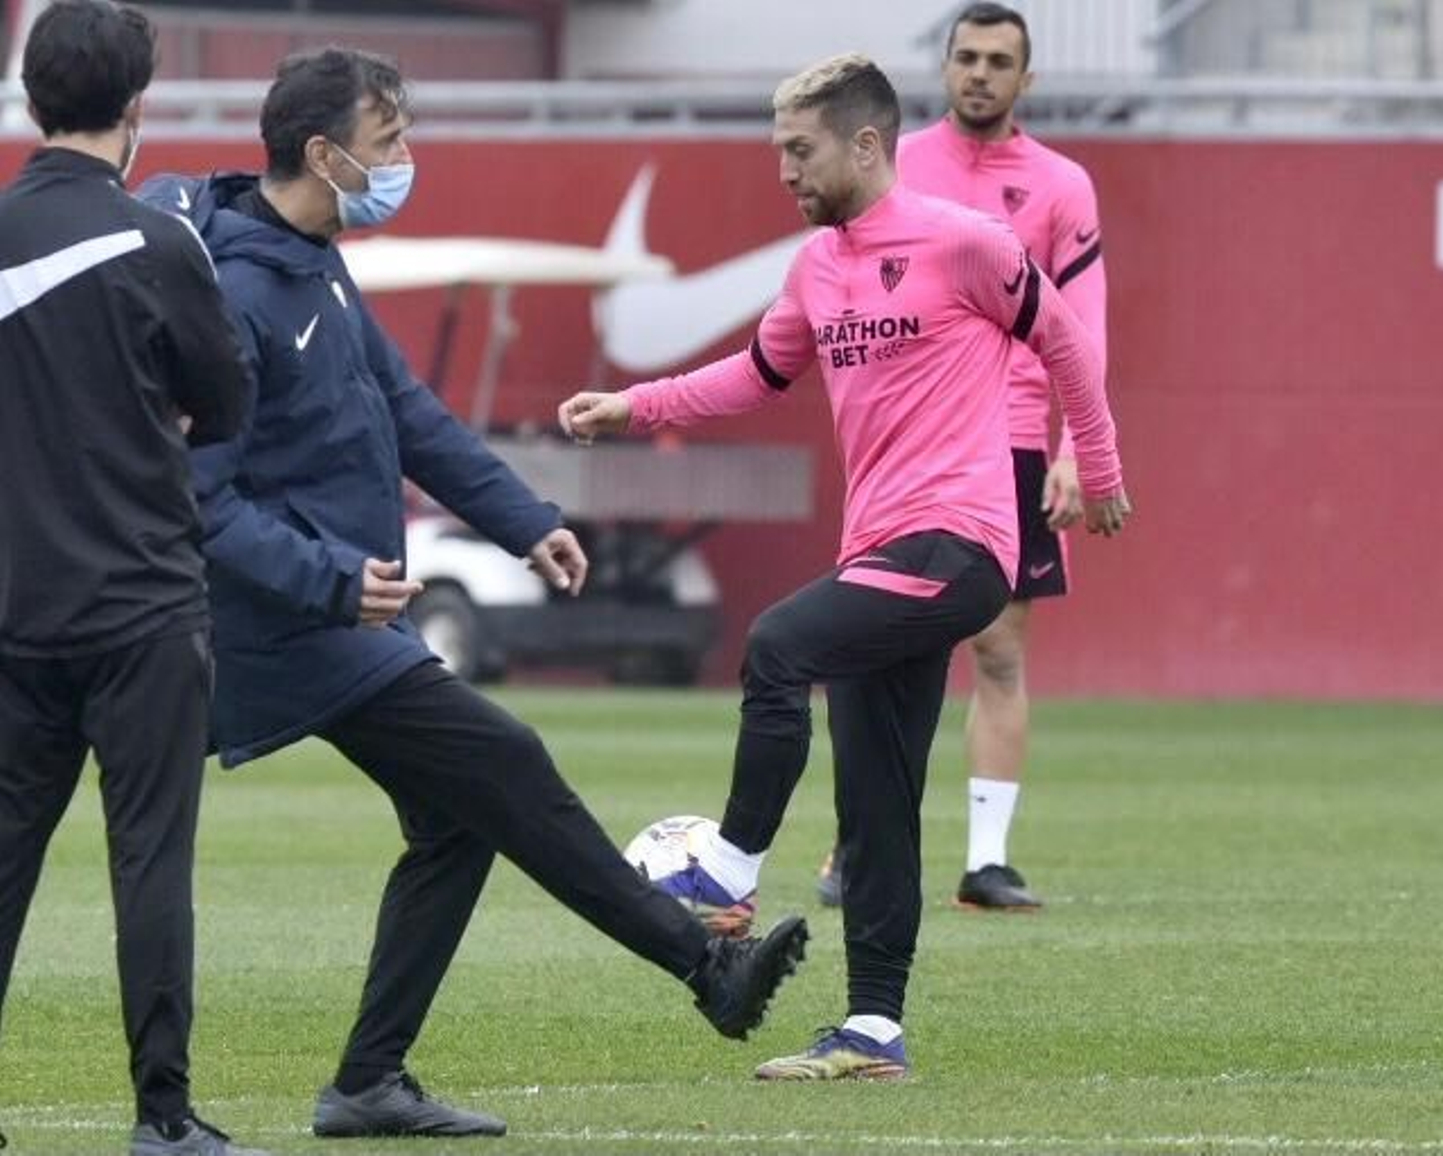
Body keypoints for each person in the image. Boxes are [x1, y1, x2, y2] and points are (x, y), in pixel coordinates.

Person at [136, 46, 808, 1138]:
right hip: (294, 627)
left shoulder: (316, 258)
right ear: (324, 153)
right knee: (504, 760)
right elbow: (200, 502)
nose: (405, 160)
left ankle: (367, 1083)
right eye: (389, 140)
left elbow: (407, 413)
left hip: (348, 615)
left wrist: (526, 520)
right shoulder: (242, 292)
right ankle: (705, 966)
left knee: (458, 824)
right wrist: (331, 578)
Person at [559, 53, 1129, 1081]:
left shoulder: (967, 244)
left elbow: (1067, 344)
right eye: (778, 147)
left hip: (961, 544)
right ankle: (873, 1029)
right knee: (874, 801)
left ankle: (726, 866)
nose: (783, 169)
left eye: (798, 148)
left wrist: (1101, 465)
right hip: (878, 548)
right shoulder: (816, 266)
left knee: (777, 642)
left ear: (866, 145)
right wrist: (633, 406)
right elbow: (758, 373)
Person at [0, 3, 265, 1154]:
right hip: (146, 609)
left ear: (30, 100)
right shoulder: (163, 243)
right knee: (150, 863)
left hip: (13, 612)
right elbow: (232, 404)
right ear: (136, 106)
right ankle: (163, 1118)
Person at [817, 2, 1110, 913]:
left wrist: (1075, 448)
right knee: (876, 648)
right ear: (943, 69)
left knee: (999, 647)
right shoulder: (896, 166)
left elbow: (1081, 326)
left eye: (999, 61)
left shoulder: (1062, 187)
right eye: (967, 57)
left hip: (1014, 439)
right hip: (907, 442)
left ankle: (987, 861)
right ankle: (853, 845)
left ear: (1028, 80)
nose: (981, 73)